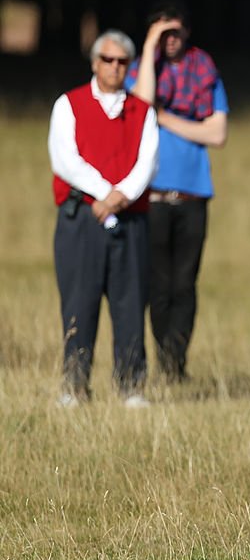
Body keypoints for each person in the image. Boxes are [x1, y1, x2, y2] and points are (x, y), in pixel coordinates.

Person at [47, 29, 159, 407]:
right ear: (95, 63)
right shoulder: (69, 104)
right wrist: (102, 193)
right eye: (107, 60)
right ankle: (75, 385)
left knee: (130, 303)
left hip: (130, 219)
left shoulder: (143, 111)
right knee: (79, 302)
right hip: (82, 218)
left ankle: (131, 385)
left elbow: (147, 163)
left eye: (122, 62)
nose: (114, 68)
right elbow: (64, 159)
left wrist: (118, 198)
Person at [127, 1, 229, 381]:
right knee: (158, 284)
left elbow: (217, 133)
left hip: (192, 193)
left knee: (184, 284)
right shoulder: (139, 71)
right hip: (151, 195)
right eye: (162, 32)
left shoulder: (204, 71)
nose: (171, 40)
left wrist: (166, 117)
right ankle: (160, 355)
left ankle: (176, 362)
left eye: (176, 31)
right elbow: (140, 106)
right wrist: (150, 45)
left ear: (187, 32)